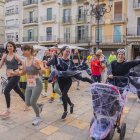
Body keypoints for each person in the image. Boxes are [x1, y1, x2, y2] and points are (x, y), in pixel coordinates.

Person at [47, 46, 93, 119]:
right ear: (62, 51)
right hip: (60, 80)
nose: (68, 53)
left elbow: (75, 70)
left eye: (69, 52)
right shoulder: (58, 60)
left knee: (64, 94)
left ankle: (65, 111)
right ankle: (71, 104)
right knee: (64, 95)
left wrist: (82, 73)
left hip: (68, 80)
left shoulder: (70, 61)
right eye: (67, 51)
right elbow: (48, 64)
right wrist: (53, 57)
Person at [16, 45, 45, 125]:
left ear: (30, 50)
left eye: (25, 50)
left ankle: (38, 117)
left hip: (37, 83)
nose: (23, 52)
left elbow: (44, 71)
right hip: (29, 83)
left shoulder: (36, 60)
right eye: (22, 50)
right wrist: (15, 73)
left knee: (32, 102)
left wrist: (39, 68)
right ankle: (39, 105)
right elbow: (23, 72)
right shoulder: (24, 61)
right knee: (28, 103)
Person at [0, 41, 25, 118]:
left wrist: (18, 71)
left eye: (11, 46)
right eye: (8, 46)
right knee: (18, 91)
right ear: (6, 48)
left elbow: (24, 64)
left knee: (6, 91)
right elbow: (0, 65)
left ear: (14, 47)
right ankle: (28, 103)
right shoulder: (4, 56)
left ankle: (8, 110)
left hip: (16, 76)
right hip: (9, 76)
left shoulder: (16, 56)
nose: (9, 47)